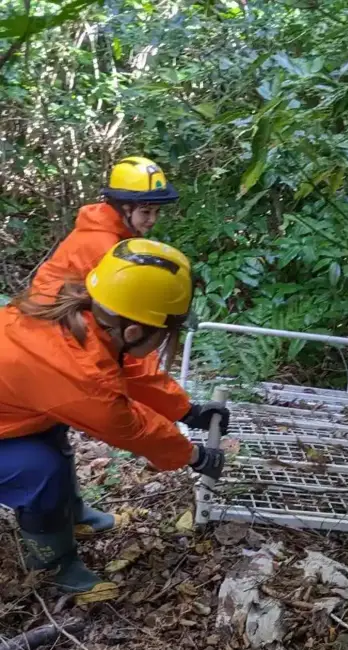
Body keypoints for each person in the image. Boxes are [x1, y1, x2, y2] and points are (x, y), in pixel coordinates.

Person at [0, 239, 229, 604]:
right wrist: (194, 456)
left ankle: (68, 515)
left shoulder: (79, 313)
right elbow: (131, 426)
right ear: (135, 331)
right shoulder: (74, 372)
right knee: (39, 469)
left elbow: (127, 366)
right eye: (162, 336)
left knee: (50, 431)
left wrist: (187, 410)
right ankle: (54, 565)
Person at [31, 156, 180, 301]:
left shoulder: (116, 228)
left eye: (157, 212)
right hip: (49, 310)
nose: (152, 219)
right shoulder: (104, 245)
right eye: (146, 212)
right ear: (126, 208)